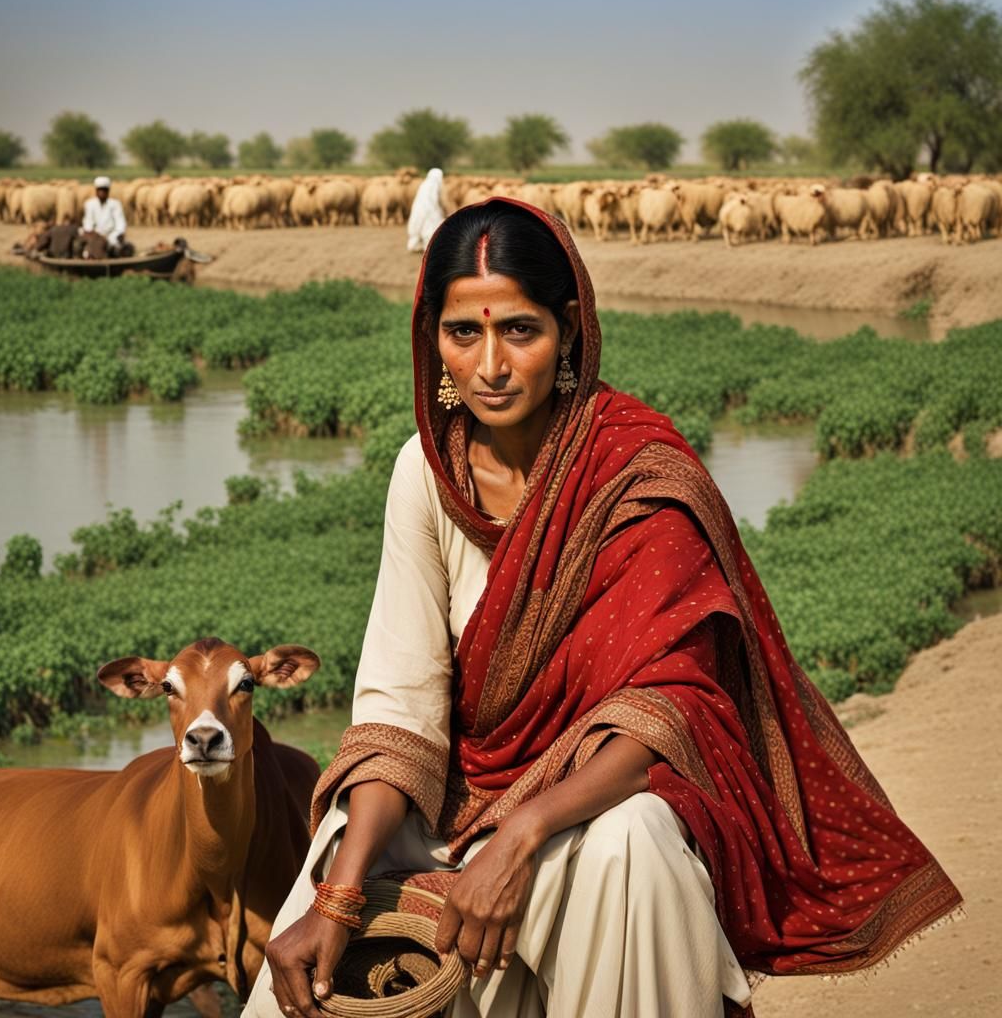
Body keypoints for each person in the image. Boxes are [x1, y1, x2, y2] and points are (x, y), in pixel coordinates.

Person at [246, 199, 962, 1018]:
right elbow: (401, 709)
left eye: (520, 330)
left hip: (590, 805)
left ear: (570, 329)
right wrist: (338, 898)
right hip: (456, 803)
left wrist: (523, 833)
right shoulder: (426, 471)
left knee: (637, 844)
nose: (490, 366)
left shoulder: (638, 475)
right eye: (463, 333)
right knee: (347, 835)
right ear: (431, 339)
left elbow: (673, 708)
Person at [81, 176, 132, 257]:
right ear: (96, 191)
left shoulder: (115, 204)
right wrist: (93, 233)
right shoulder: (90, 204)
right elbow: (88, 222)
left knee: (116, 247)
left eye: (104, 190)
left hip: (111, 236)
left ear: (108, 191)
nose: (102, 192)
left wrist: (115, 235)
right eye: (100, 190)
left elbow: (120, 223)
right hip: (95, 235)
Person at [406, 167, 446, 253]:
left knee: (417, 225)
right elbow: (436, 200)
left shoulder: (424, 184)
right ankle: (429, 247)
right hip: (430, 209)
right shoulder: (435, 185)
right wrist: (440, 211)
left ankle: (413, 245)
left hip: (418, 208)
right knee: (430, 228)